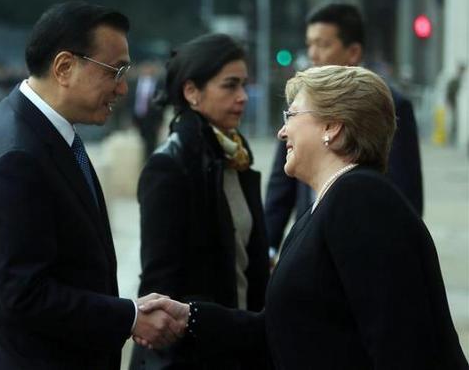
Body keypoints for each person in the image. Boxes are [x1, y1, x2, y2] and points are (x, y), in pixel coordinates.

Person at [137, 65, 469, 370]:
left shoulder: (361, 200)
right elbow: (281, 332)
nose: (282, 132)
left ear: (332, 126)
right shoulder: (326, 205)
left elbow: (400, 344)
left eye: (292, 115)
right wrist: (191, 318)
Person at [0, 1, 184, 370]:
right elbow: (26, 295)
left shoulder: (35, 131)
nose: (123, 88)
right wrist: (129, 317)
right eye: (115, 71)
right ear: (64, 67)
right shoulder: (17, 156)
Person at [129, 33, 270, 369]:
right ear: (191, 92)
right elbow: (159, 282)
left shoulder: (234, 155)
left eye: (244, 85)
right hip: (195, 355)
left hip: (239, 342)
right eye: (230, 86)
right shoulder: (170, 166)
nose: (242, 97)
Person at [265, 2, 423, 260]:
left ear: (353, 52)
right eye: (309, 44)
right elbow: (280, 187)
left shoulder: (389, 105)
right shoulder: (300, 104)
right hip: (310, 242)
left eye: (323, 44)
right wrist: (268, 247)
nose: (313, 54)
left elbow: (405, 193)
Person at [446, 63, 466, 145]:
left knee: (454, 122)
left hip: (454, 103)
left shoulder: (459, 79)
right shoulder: (455, 79)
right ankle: (451, 140)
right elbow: (449, 91)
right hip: (452, 103)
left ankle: (452, 139)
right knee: (452, 122)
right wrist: (449, 103)